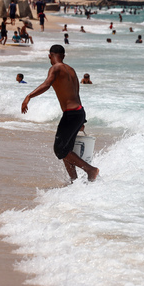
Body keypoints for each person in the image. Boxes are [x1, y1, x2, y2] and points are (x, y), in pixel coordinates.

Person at [21, 44, 99, 182]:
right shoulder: (72, 70)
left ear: (50, 56)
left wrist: (29, 96)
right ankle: (74, 180)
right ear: (63, 55)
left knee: (60, 150)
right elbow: (77, 94)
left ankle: (90, 170)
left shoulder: (55, 68)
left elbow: (46, 84)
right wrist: (83, 120)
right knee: (67, 149)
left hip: (71, 115)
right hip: (79, 112)